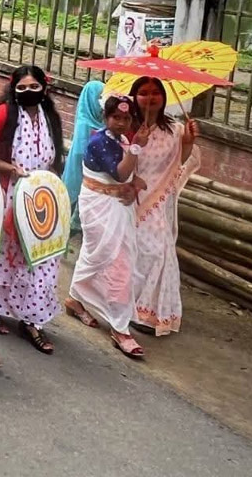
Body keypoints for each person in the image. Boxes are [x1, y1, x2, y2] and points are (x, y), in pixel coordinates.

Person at [0, 66, 65, 353]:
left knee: (40, 256)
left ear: (44, 89)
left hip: (41, 197)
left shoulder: (50, 117)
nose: (28, 93)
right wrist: (9, 168)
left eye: (34, 88)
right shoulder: (2, 115)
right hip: (9, 195)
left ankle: (32, 319)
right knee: (2, 254)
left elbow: (55, 157)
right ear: (13, 89)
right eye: (22, 88)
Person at [65, 94, 147, 359]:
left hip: (117, 207)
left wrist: (135, 180)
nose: (121, 123)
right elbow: (120, 174)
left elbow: (128, 174)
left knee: (110, 258)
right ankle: (119, 327)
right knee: (111, 259)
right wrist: (136, 148)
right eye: (116, 117)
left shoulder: (121, 140)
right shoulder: (99, 141)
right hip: (100, 206)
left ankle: (75, 299)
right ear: (105, 117)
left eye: (126, 118)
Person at [128, 76, 199, 335]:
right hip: (132, 199)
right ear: (135, 97)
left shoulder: (175, 129)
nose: (150, 98)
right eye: (143, 93)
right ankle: (128, 306)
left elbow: (179, 162)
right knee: (138, 252)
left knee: (159, 252)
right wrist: (137, 142)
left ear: (164, 96)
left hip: (160, 201)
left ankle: (150, 313)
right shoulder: (127, 126)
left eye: (155, 92)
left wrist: (188, 141)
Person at [62, 80, 107, 229]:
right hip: (82, 173)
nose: (101, 103)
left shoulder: (105, 124)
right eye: (99, 97)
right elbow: (80, 153)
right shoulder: (85, 123)